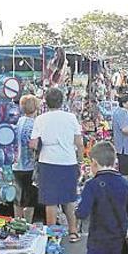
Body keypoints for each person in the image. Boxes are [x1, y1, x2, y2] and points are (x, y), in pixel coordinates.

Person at [30, 87, 85, 242]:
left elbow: (33, 144)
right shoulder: (71, 118)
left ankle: (52, 234)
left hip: (47, 162)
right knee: (69, 198)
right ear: (62, 101)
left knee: (51, 200)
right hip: (68, 161)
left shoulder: (40, 119)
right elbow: (79, 143)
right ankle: (73, 231)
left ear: (46, 102)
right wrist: (79, 160)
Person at [12, 94, 40, 222]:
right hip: (29, 165)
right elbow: (33, 145)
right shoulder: (34, 124)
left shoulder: (19, 122)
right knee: (29, 198)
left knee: (18, 196)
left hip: (16, 164)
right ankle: (27, 224)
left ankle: (18, 222)